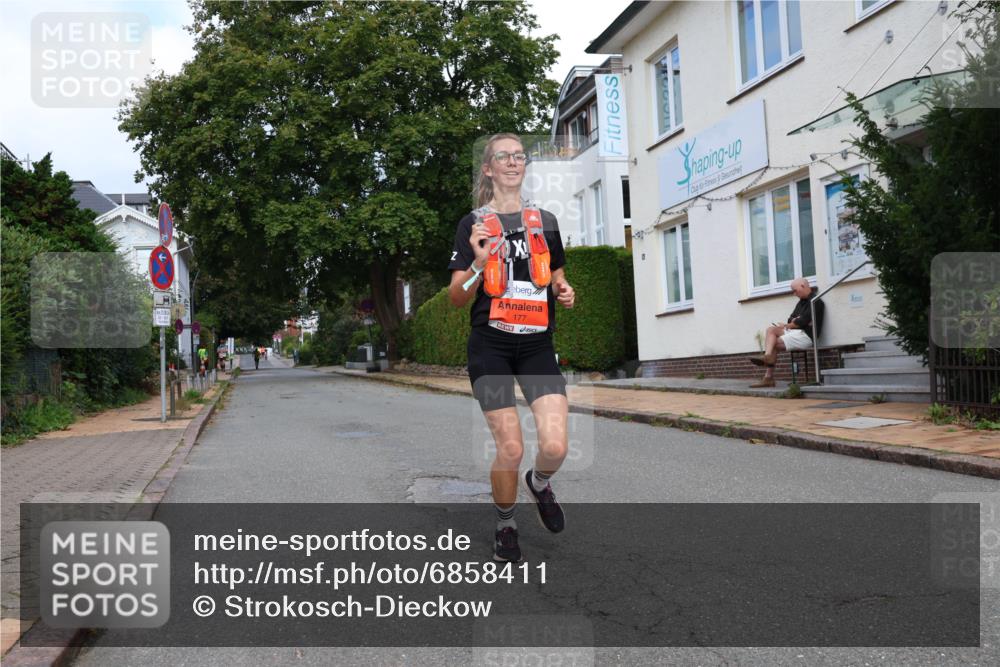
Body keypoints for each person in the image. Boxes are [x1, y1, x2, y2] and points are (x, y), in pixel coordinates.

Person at [448, 133, 576, 563]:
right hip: (491, 349)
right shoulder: (474, 225)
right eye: (502, 157)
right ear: (488, 169)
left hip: (537, 345)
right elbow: (457, 296)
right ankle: (505, 524)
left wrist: (562, 287)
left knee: (555, 447)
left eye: (519, 156)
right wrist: (479, 265)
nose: (512, 162)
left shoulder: (546, 220)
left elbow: (555, 271)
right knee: (511, 448)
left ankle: (538, 484)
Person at [749, 277, 824, 387]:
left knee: (773, 341)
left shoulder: (815, 301)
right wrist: (795, 322)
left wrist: (795, 322)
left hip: (806, 336)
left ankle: (768, 377)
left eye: (795, 290)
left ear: (803, 286)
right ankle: (768, 356)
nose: (794, 294)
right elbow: (791, 319)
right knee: (771, 330)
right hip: (795, 332)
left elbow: (801, 322)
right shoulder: (801, 303)